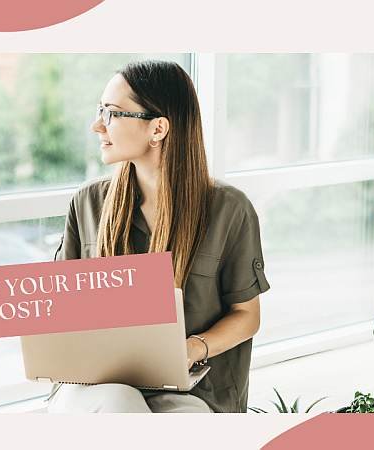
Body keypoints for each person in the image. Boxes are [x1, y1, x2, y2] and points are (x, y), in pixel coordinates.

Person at [46, 60, 270, 413]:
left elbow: (247, 314)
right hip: (97, 386)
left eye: (112, 114)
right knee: (119, 401)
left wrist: (193, 348)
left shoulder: (229, 209)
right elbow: (61, 309)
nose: (96, 125)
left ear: (158, 129)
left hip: (191, 392)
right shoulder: (88, 203)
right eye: (99, 111)